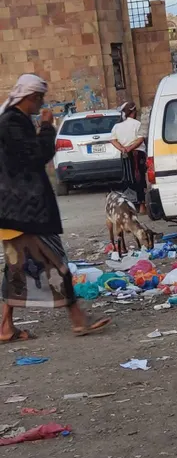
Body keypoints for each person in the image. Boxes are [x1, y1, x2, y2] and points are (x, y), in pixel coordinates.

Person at [0, 74, 110, 341]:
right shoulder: (12, 123)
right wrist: (48, 127)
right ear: (30, 97)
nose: (41, 104)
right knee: (57, 263)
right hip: (26, 212)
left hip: (16, 211)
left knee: (17, 268)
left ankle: (5, 327)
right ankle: (78, 320)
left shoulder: (13, 121)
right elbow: (37, 156)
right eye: (39, 99)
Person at [111, 101, 147, 214]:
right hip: (137, 153)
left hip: (125, 155)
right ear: (133, 111)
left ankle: (129, 206)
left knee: (127, 179)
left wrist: (123, 149)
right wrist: (130, 148)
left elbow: (113, 140)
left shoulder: (117, 126)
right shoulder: (138, 124)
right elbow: (140, 139)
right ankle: (142, 206)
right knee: (139, 178)